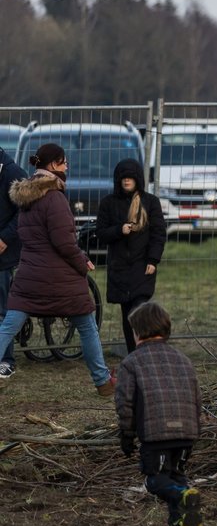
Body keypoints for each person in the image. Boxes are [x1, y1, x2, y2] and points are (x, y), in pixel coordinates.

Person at [0, 143, 114, 395]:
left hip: (29, 277)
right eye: (64, 162)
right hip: (59, 279)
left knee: (8, 326)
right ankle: (103, 382)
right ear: (52, 165)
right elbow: (65, 242)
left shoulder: (26, 199)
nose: (67, 167)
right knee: (86, 326)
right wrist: (82, 263)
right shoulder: (55, 198)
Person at [114, 301, 203, 526]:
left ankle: (183, 496)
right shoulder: (183, 359)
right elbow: (196, 397)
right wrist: (195, 429)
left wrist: (126, 434)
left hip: (156, 434)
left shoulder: (131, 362)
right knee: (175, 474)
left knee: (156, 481)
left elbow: (125, 402)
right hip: (187, 433)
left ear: (137, 332)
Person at [95, 159, 167, 352]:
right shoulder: (108, 203)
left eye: (130, 177)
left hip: (142, 266)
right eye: (123, 177)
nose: (126, 181)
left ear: (137, 179)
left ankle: (147, 350)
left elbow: (159, 233)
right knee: (127, 314)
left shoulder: (150, 202)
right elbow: (100, 232)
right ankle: (133, 353)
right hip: (119, 269)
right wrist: (119, 230)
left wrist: (153, 259)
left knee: (140, 310)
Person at [0, 144, 25, 377]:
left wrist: (5, 238)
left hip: (3, 255)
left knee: (3, 310)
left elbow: (24, 209)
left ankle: (5, 360)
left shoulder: (12, 172)